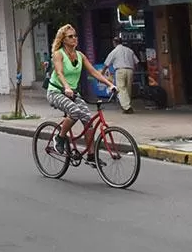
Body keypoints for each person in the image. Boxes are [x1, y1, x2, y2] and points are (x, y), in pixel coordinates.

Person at [47, 25, 117, 159]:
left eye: (75, 36)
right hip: (56, 92)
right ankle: (60, 138)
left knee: (88, 120)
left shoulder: (80, 55)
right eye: (70, 36)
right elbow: (59, 72)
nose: (74, 38)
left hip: (72, 93)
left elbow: (94, 72)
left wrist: (110, 84)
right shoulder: (58, 54)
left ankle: (91, 156)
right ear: (63, 40)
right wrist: (67, 87)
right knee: (75, 112)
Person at [103, 36, 139, 114]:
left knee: (121, 88)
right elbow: (136, 62)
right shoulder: (129, 50)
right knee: (128, 88)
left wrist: (102, 72)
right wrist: (134, 70)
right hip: (130, 70)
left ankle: (127, 107)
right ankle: (127, 105)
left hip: (120, 70)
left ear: (114, 43)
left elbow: (107, 63)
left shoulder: (114, 51)